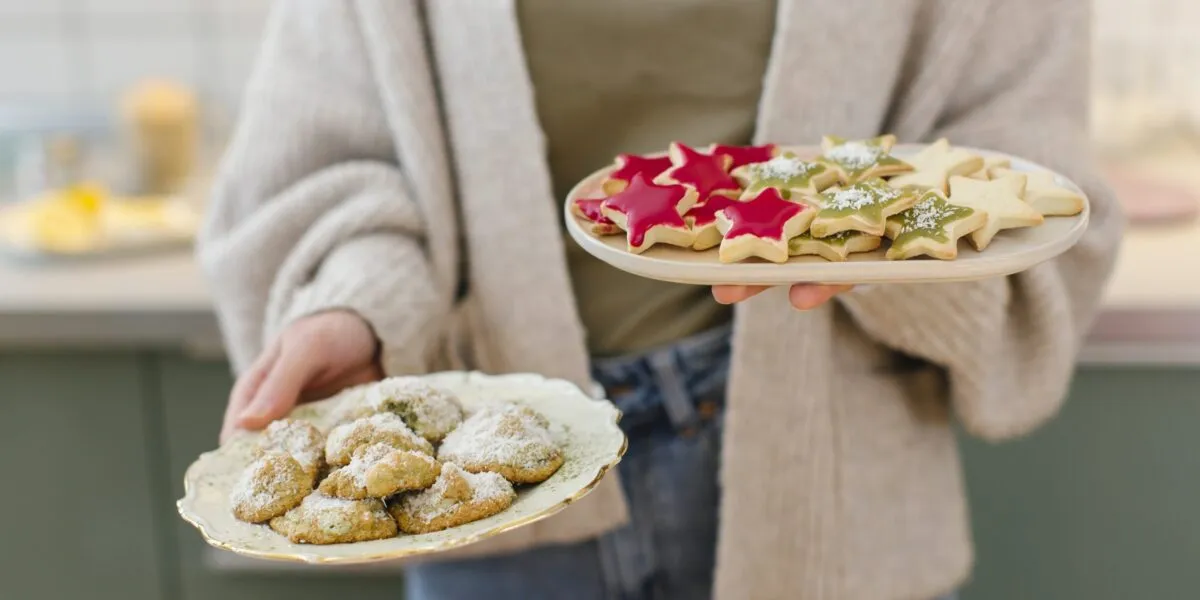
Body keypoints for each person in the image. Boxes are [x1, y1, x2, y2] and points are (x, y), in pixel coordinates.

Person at [197, 1, 1122, 599]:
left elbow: (1017, 173)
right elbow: (328, 165)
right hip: (497, 491)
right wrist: (360, 304)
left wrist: (885, 249)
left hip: (837, 495)